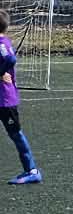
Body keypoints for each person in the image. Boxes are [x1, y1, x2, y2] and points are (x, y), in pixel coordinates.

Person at [0, 13, 40, 185]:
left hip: (5, 99)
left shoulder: (1, 44)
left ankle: (32, 171)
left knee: (15, 134)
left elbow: (11, 59)